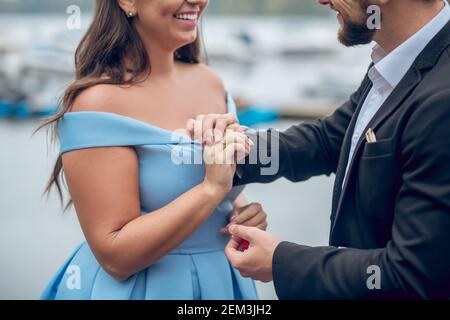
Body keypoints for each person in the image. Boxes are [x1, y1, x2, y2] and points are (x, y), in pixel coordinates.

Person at [188, 0, 450, 299]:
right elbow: (327, 141)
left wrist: (280, 262)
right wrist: (228, 147)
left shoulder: (442, 98)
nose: (321, 1)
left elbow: (414, 275)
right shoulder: (396, 62)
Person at [36, 0, 267, 300]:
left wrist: (242, 213)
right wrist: (210, 191)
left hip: (224, 284)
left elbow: (216, 179)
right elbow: (115, 257)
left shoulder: (211, 83)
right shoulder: (99, 103)